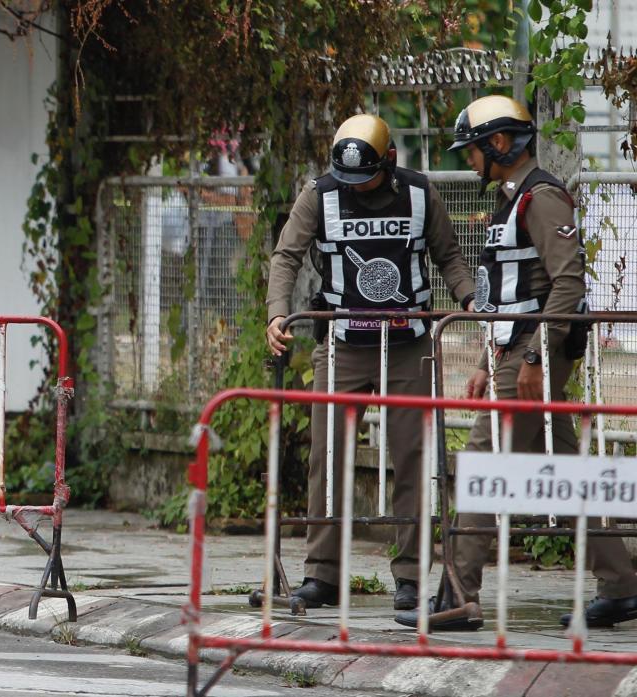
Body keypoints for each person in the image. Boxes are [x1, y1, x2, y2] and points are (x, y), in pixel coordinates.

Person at [399, 94, 637, 631]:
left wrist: (532, 356)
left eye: (472, 150)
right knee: (570, 472)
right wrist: (490, 357)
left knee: (484, 464)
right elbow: (508, 293)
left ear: (499, 143)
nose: (468, 161)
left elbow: (567, 282)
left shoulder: (543, 197)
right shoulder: (512, 198)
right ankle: (621, 585)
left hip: (535, 352)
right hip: (518, 350)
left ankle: (459, 594)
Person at [266, 114, 476, 612]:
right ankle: (322, 575)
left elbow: (449, 258)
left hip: (409, 345)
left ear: (391, 161)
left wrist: (470, 301)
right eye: (348, 179)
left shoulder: (422, 195)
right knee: (327, 458)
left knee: (413, 460)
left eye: (368, 177)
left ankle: (408, 576)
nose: (357, 188)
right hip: (342, 346)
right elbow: (286, 256)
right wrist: (277, 313)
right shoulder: (320, 194)